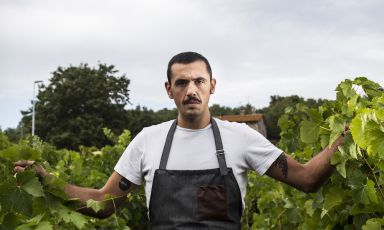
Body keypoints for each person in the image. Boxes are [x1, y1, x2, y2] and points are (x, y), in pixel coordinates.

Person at [14, 51, 346, 229]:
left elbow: (307, 179)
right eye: (181, 82)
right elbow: (104, 203)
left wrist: (345, 140)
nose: (191, 90)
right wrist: (48, 181)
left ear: (212, 86)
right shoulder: (147, 141)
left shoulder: (241, 139)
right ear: (168, 89)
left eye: (199, 81)